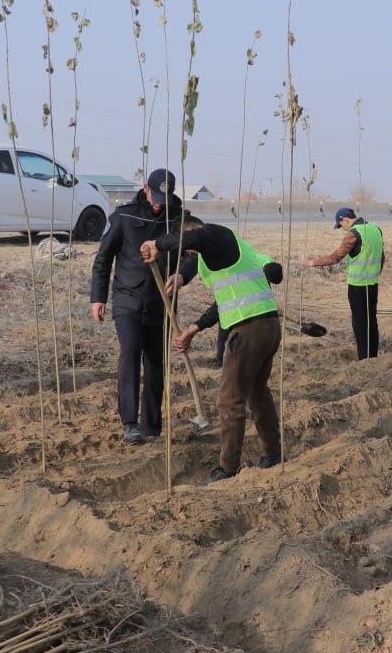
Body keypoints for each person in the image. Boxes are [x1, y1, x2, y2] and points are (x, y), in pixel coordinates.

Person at [141, 216, 283, 486]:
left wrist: (158, 245)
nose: (190, 254)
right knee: (257, 393)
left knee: (229, 401)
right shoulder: (227, 255)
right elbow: (223, 303)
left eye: (187, 249)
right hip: (266, 325)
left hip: (249, 329)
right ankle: (273, 454)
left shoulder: (217, 235)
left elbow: (197, 237)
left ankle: (227, 469)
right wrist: (192, 329)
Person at [89, 168, 191, 445]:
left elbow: (195, 255)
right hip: (128, 299)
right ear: (145, 188)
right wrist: (98, 297)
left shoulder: (180, 219)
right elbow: (103, 258)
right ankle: (129, 423)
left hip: (162, 302)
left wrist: (182, 274)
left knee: (156, 364)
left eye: (164, 199)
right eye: (155, 196)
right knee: (131, 352)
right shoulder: (125, 216)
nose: (158, 203)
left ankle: (151, 426)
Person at [302, 207, 384, 359]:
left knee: (360, 324)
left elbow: (335, 257)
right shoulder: (375, 229)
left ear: (345, 219)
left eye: (341, 226)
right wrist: (376, 274)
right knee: (372, 321)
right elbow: (381, 256)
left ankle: (364, 358)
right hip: (373, 284)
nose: (343, 230)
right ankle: (373, 356)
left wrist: (311, 263)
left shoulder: (353, 233)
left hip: (358, 287)